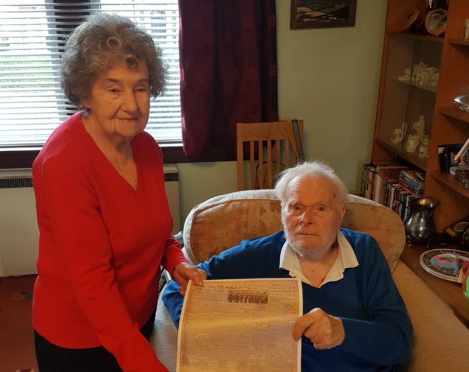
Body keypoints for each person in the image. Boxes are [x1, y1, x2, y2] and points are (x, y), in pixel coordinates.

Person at [31, 13, 205, 372]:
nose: (132, 104)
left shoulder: (146, 148)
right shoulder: (64, 163)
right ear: (84, 93)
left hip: (136, 318)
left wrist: (177, 263)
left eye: (140, 87)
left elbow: (155, 232)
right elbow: (91, 283)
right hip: (79, 337)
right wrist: (143, 362)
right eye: (113, 88)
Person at [163, 161, 412, 371]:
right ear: (282, 212)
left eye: (320, 208)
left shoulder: (365, 252)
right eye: (296, 207)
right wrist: (216, 332)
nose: (306, 219)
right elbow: (177, 288)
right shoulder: (255, 255)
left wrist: (343, 331)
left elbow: (399, 342)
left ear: (340, 213)